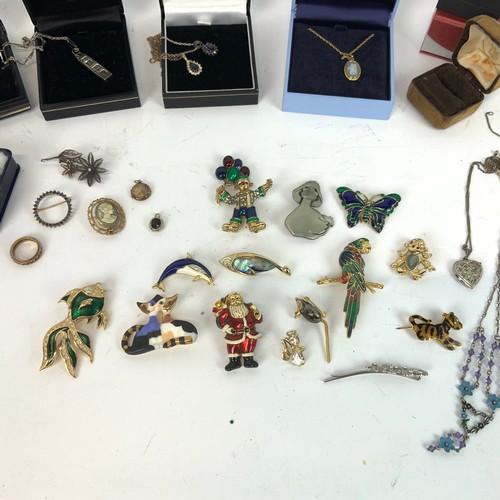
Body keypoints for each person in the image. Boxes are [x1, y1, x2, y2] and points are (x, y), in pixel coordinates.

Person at [212, 291, 263, 371]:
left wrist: (256, 313)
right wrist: (227, 328)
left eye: (237, 298)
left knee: (249, 347)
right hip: (234, 334)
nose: (235, 301)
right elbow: (222, 321)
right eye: (233, 299)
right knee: (233, 348)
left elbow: (258, 321)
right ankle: (234, 362)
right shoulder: (227, 311)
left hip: (249, 334)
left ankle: (248, 360)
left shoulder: (248, 309)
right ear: (229, 302)